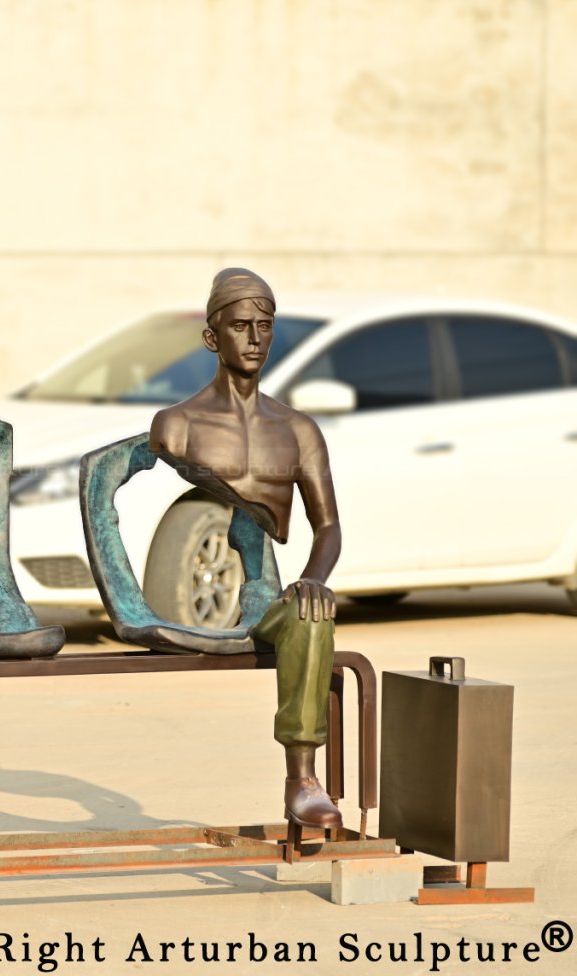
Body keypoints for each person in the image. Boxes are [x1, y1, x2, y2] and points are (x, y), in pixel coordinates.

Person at [149, 267, 342, 828]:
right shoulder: (178, 425)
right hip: (204, 601)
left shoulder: (298, 430)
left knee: (311, 614)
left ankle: (302, 779)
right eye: (241, 326)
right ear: (212, 338)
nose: (255, 338)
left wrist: (313, 577)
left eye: (265, 326)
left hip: (265, 598)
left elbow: (327, 526)